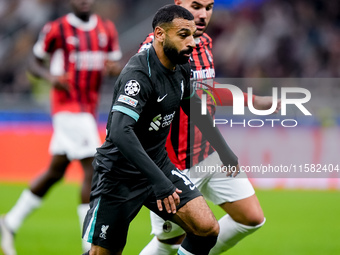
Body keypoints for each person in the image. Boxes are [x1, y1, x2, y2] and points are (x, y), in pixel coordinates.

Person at [81, 4, 242, 255]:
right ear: (159, 34)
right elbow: (120, 131)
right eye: (183, 35)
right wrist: (159, 182)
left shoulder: (182, 66)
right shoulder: (138, 75)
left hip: (158, 165)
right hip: (119, 175)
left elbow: (194, 108)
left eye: (191, 34)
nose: (191, 42)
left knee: (206, 229)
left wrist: (224, 150)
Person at [139, 1, 280, 254]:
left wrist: (251, 100)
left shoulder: (203, 43)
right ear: (178, 4)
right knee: (170, 243)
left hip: (208, 152)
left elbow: (205, 93)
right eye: (195, 6)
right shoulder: (156, 47)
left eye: (209, 7)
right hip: (174, 164)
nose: (203, 14)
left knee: (251, 217)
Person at [0, 0, 122, 254]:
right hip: (67, 108)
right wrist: (51, 77)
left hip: (88, 109)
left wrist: (113, 70)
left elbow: (114, 66)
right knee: (93, 169)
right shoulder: (57, 29)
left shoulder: (106, 30)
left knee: (56, 171)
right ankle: (88, 245)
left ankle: (9, 222)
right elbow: (33, 62)